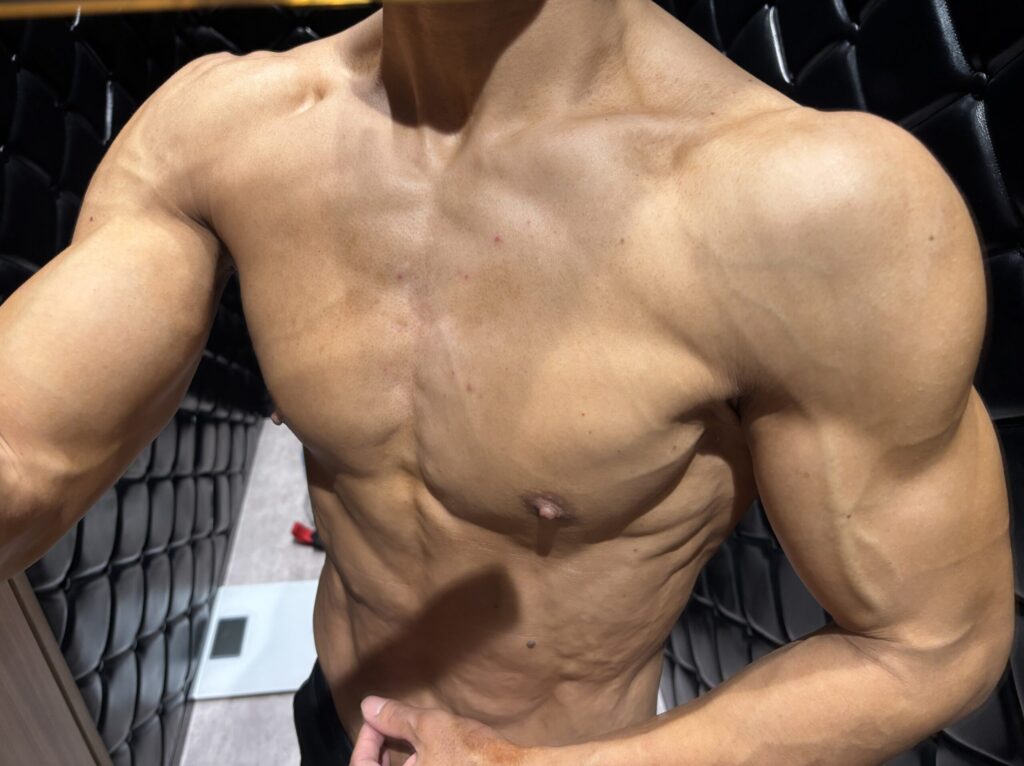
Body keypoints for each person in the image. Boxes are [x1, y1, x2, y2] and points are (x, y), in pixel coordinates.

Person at [0, 1, 1014, 764]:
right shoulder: (220, 127)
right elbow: (25, 456)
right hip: (337, 716)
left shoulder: (813, 209)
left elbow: (933, 642)